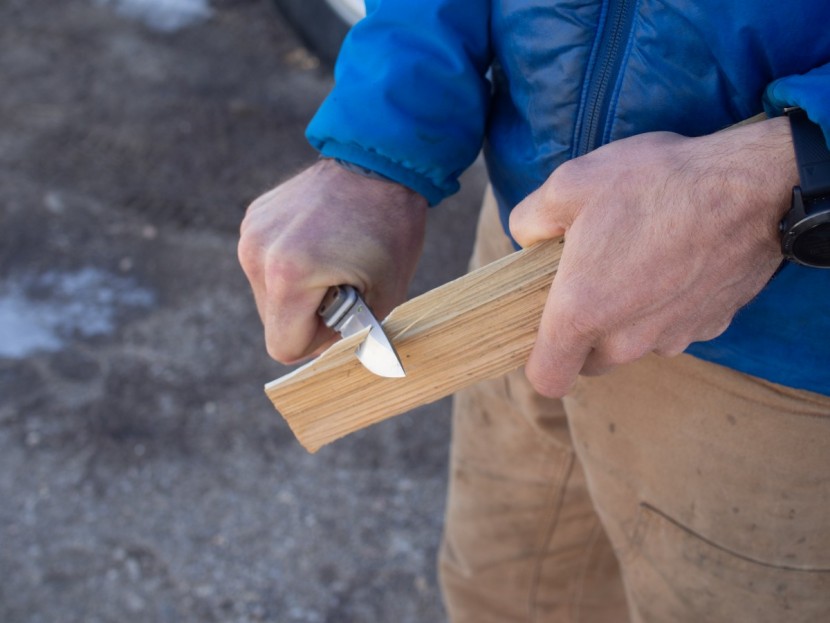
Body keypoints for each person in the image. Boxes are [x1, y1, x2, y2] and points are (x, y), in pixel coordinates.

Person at [238, 1, 830, 621]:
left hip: (785, 333)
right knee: (498, 596)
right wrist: (378, 141)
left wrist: (786, 171)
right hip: (524, 260)